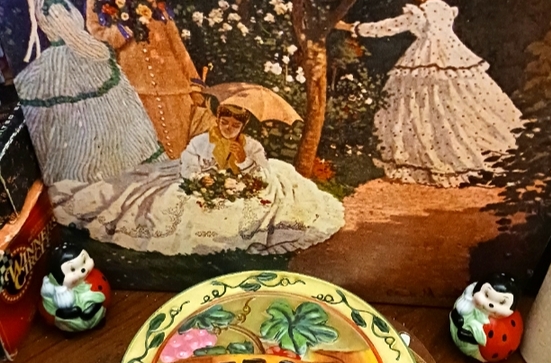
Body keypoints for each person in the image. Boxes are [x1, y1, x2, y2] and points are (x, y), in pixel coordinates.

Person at [47, 104, 345, 256]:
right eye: (224, 123)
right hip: (206, 182)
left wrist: (242, 160)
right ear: (218, 120)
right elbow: (188, 165)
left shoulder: (251, 146)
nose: (228, 129)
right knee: (156, 199)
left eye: (235, 125)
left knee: (257, 206)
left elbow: (262, 173)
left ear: (242, 126)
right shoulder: (203, 142)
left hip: (239, 183)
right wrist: (206, 178)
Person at [336, 0, 523, 187]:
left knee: (425, 106)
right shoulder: (444, 8)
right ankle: (466, 154)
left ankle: (447, 158)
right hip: (454, 56)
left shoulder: (418, 13)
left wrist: (349, 27)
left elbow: (386, 27)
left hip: (427, 59)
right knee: (451, 106)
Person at [15, 0, 163, 186]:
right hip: (73, 62)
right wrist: (103, 52)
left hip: (76, 57)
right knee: (91, 118)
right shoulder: (51, 1)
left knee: (106, 118)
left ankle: (116, 164)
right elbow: (75, 38)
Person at [86, 0, 213, 159]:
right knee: (149, 150)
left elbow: (176, 42)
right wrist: (122, 31)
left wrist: (194, 84)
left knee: (183, 148)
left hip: (173, 87)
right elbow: (97, 42)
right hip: (136, 90)